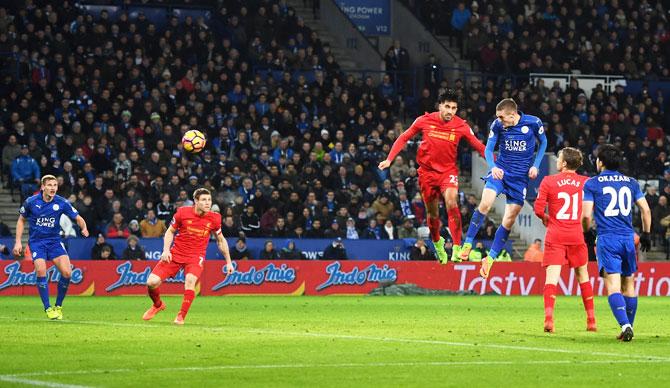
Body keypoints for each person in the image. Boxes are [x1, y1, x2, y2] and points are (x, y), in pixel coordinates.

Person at [379, 89, 486, 263]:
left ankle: (457, 247)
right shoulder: (424, 120)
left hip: (448, 172)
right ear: (440, 106)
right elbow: (404, 137)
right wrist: (389, 159)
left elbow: (480, 147)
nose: (450, 111)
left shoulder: (461, 126)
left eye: (454, 108)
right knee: (433, 214)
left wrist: (497, 164)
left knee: (452, 201)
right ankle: (437, 242)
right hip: (427, 174)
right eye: (447, 107)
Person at [460, 98, 548, 278]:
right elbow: (488, 149)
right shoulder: (497, 125)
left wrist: (536, 165)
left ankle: (490, 259)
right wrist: (493, 167)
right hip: (501, 172)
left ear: (512, 114)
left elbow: (543, 143)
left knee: (509, 220)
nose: (499, 120)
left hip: (520, 180)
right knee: (485, 204)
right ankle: (467, 243)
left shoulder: (533, 122)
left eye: (502, 117)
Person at [582, 144, 651, 341]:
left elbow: (586, 215)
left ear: (601, 162)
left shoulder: (592, 183)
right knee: (629, 284)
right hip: (628, 238)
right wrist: (645, 234)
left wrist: (586, 233)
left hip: (607, 238)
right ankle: (628, 326)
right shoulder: (631, 182)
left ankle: (625, 325)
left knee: (612, 285)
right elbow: (646, 211)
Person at [143, 188, 234, 325]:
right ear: (196, 201)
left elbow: (221, 240)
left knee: (190, 281)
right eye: (204, 200)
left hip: (195, 256)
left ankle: (181, 316)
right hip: (176, 253)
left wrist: (228, 262)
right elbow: (170, 232)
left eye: (209, 200)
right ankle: (157, 305)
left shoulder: (215, 218)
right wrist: (166, 250)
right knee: (151, 282)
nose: (207, 203)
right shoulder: (183, 212)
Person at [533, 147, 596, 333]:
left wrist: (546, 219)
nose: (557, 161)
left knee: (551, 279)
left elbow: (537, 209)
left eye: (559, 158)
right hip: (576, 235)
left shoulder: (548, 181)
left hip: (555, 235)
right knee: (583, 277)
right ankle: (591, 320)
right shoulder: (586, 182)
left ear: (565, 163)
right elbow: (590, 210)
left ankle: (549, 319)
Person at [12, 175, 89, 320]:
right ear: (43, 187)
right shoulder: (31, 202)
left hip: (54, 242)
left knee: (67, 273)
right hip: (37, 242)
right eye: (49, 185)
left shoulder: (62, 202)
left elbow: (78, 218)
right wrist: (17, 242)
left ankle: (58, 306)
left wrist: (84, 228)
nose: (53, 188)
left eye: (55, 185)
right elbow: (21, 220)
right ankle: (48, 308)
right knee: (41, 271)